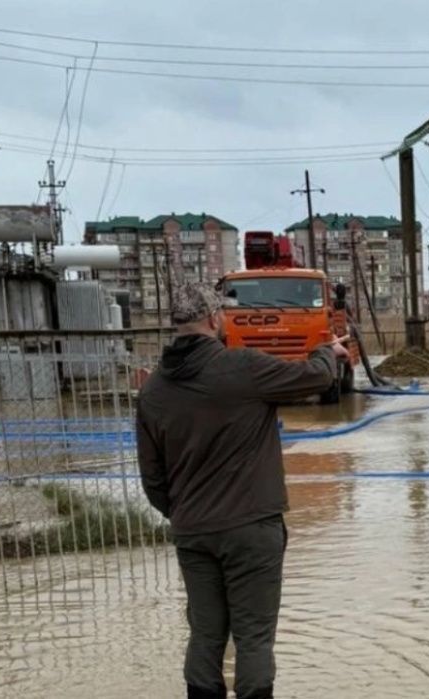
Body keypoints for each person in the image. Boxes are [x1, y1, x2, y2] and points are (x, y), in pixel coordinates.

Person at [136, 281, 348, 699]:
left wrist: (187, 514)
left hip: (192, 532)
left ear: (174, 325)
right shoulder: (244, 368)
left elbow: (153, 480)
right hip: (252, 528)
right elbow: (317, 377)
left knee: (205, 634)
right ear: (214, 319)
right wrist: (329, 351)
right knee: (253, 637)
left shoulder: (152, 392)